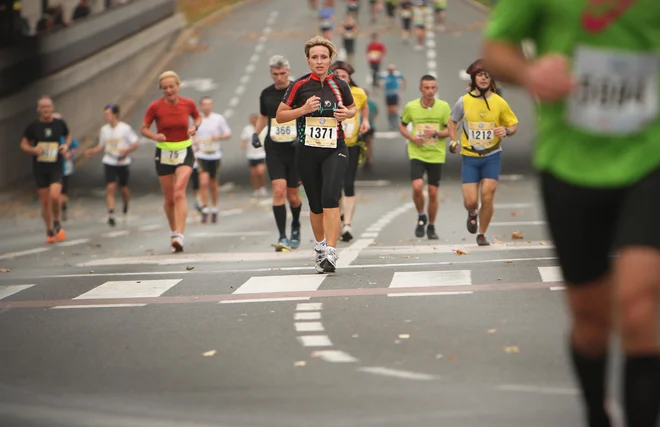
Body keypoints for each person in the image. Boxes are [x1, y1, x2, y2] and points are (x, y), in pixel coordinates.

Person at [482, 1, 660, 427]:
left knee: (638, 307)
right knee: (591, 321)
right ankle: (596, 413)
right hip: (569, 163)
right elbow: (496, 48)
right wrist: (529, 72)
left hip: (649, 157)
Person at [276, 36, 356, 273]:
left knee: (331, 196)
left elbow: (351, 108)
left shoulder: (340, 84)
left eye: (324, 57)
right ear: (308, 61)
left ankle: (331, 251)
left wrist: (346, 115)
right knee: (316, 203)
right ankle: (320, 246)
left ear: (331, 59)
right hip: (307, 151)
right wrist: (303, 110)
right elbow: (280, 115)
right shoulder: (299, 86)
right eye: (315, 58)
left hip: (336, 148)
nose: (319, 62)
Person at [448, 59, 518, 246]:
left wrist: (507, 131)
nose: (484, 78)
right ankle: (472, 213)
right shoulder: (464, 101)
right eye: (480, 75)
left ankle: (482, 233)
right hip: (470, 157)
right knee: (471, 201)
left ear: (491, 79)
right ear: (473, 78)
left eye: (487, 75)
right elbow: (452, 120)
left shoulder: (499, 102)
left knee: (488, 194)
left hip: (492, 155)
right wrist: (453, 140)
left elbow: (513, 124)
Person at [141, 70, 201, 253]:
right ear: (161, 89)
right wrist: (155, 136)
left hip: (184, 150)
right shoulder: (155, 107)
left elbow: (197, 116)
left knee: (179, 192)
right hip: (164, 153)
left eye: (171, 86)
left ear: (178, 86)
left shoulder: (188, 103)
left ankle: (179, 237)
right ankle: (174, 231)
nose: (168, 90)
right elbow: (144, 128)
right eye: (164, 87)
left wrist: (194, 126)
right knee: (169, 198)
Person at [252, 55, 304, 251]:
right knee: (278, 191)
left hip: (295, 148)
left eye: (283, 74)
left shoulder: (298, 91)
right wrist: (256, 134)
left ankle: (296, 224)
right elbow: (263, 116)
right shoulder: (266, 93)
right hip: (274, 147)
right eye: (275, 75)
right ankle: (282, 236)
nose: (279, 78)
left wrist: (302, 135)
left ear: (288, 72)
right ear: (271, 74)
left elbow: (307, 114)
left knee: (293, 196)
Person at [398, 74, 451, 240]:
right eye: (426, 88)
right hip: (417, 152)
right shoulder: (411, 107)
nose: (430, 91)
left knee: (433, 192)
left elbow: (451, 131)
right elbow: (402, 125)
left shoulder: (443, 107)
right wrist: (412, 138)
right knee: (417, 186)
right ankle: (421, 215)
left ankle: (431, 225)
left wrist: (435, 133)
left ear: (436, 89)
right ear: (421, 89)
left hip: (436, 154)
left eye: (433, 87)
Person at [329, 61, 371, 242]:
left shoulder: (358, 93)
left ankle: (347, 224)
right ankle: (336, 220)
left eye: (344, 76)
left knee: (349, 183)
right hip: (331, 144)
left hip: (352, 144)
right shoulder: (328, 92)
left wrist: (365, 121)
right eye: (337, 76)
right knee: (334, 187)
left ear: (349, 77)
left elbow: (364, 107)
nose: (341, 79)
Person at [20, 96, 70, 243]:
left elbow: (68, 136)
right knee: (45, 202)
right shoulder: (33, 127)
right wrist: (33, 150)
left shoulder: (60, 124)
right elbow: (23, 144)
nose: (46, 109)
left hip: (55, 165)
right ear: (39, 109)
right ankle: (49, 230)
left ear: (52, 108)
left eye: (48, 107)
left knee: (55, 196)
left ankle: (56, 221)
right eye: (43, 107)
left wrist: (65, 145)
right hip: (40, 168)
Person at [85, 104, 140, 227]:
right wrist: (92, 151)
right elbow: (101, 146)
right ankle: (111, 213)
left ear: (116, 115)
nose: (106, 117)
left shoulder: (125, 128)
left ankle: (125, 206)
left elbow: (136, 144)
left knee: (124, 189)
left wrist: (126, 151)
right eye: (105, 115)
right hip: (109, 160)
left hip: (122, 161)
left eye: (108, 114)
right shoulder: (104, 130)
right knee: (110, 186)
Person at [193, 96, 231, 224]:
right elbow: (191, 133)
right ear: (201, 106)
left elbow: (227, 134)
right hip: (201, 154)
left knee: (213, 183)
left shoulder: (218, 119)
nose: (207, 107)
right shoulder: (197, 119)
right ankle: (204, 208)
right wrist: (194, 144)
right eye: (204, 104)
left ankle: (214, 207)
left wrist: (218, 136)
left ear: (212, 106)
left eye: (209, 104)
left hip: (214, 154)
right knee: (203, 182)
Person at [241, 113, 267, 197]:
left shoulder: (264, 128)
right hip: (251, 155)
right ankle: (257, 189)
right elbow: (243, 139)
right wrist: (244, 145)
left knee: (260, 172)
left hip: (261, 154)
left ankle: (262, 187)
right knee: (254, 174)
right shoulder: (247, 129)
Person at [377, 63, 406, 130]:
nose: (391, 71)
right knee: (389, 109)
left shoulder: (397, 74)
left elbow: (403, 79)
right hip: (387, 94)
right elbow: (378, 78)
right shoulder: (384, 75)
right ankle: (391, 124)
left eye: (392, 69)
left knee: (394, 108)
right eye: (390, 69)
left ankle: (396, 122)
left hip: (395, 94)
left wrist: (402, 87)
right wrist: (380, 86)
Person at [362, 89, 378, 172]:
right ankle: (367, 159)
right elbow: (375, 113)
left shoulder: (368, 104)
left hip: (365, 126)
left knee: (367, 144)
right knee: (368, 144)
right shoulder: (372, 104)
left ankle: (367, 159)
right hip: (368, 126)